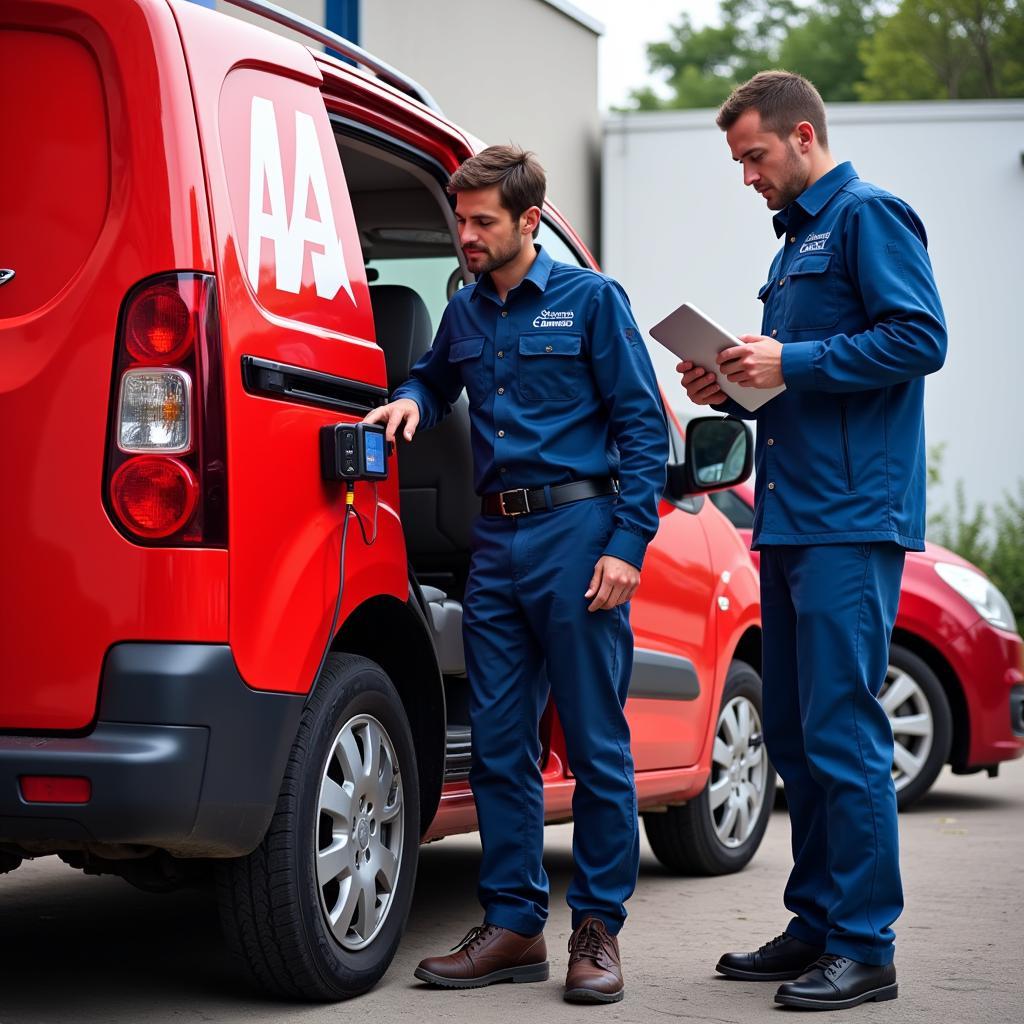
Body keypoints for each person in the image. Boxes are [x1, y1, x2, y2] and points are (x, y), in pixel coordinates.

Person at [365, 145, 668, 1004]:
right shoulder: (463, 312)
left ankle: (598, 929)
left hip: (579, 537)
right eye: (460, 220)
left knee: (597, 745)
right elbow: (432, 374)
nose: (465, 234)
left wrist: (627, 546)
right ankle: (514, 925)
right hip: (494, 549)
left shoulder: (592, 302)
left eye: (481, 221)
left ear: (529, 221)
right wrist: (416, 400)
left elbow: (644, 430)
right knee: (500, 746)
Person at [679, 71, 946, 1011]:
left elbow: (920, 338)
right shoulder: (795, 246)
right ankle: (818, 924)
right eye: (739, 160)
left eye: (754, 156)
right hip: (793, 516)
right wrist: (739, 384)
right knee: (794, 734)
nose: (746, 175)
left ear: (801, 135)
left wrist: (788, 359)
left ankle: (867, 946)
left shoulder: (870, 216)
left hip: (849, 518)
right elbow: (807, 384)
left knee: (842, 733)